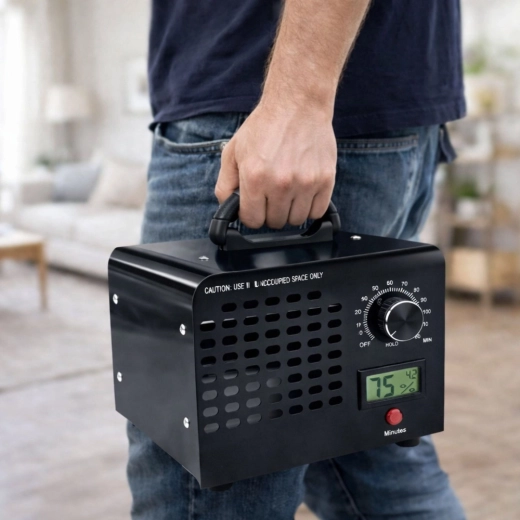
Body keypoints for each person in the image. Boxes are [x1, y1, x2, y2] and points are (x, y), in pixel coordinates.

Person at [127, 0, 467, 518]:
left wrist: (299, 100)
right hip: (387, 114)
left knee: (201, 467)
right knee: (362, 434)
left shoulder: (288, 110)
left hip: (264, 126)